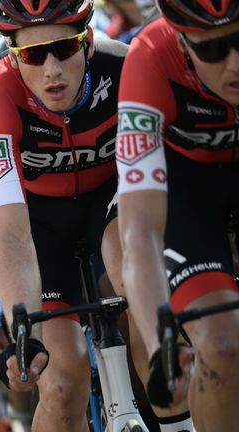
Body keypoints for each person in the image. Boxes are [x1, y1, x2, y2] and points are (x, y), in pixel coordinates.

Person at [0, 0, 145, 430]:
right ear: (10, 50)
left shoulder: (125, 68)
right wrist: (22, 331)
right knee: (63, 383)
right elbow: (10, 234)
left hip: (110, 203)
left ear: (87, 41)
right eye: (32, 55)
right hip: (40, 227)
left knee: (137, 292)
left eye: (63, 49)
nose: (51, 69)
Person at [115, 1, 239, 430]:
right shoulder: (149, 56)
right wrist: (158, 344)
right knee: (221, 345)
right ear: (184, 45)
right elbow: (139, 233)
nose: (235, 64)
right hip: (187, 189)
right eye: (214, 50)